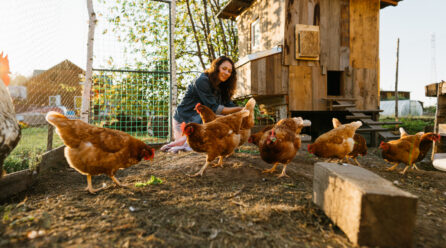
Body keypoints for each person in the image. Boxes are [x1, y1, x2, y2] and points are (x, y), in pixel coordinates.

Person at [161, 56, 243, 153]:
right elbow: (214, 108)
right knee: (201, 138)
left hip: (199, 123)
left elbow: (229, 104)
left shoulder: (222, 86)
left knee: (211, 129)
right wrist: (240, 109)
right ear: (216, 67)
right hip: (183, 122)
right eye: (224, 68)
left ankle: (177, 144)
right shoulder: (203, 81)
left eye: (229, 71)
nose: (226, 73)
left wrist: (244, 111)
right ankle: (177, 145)